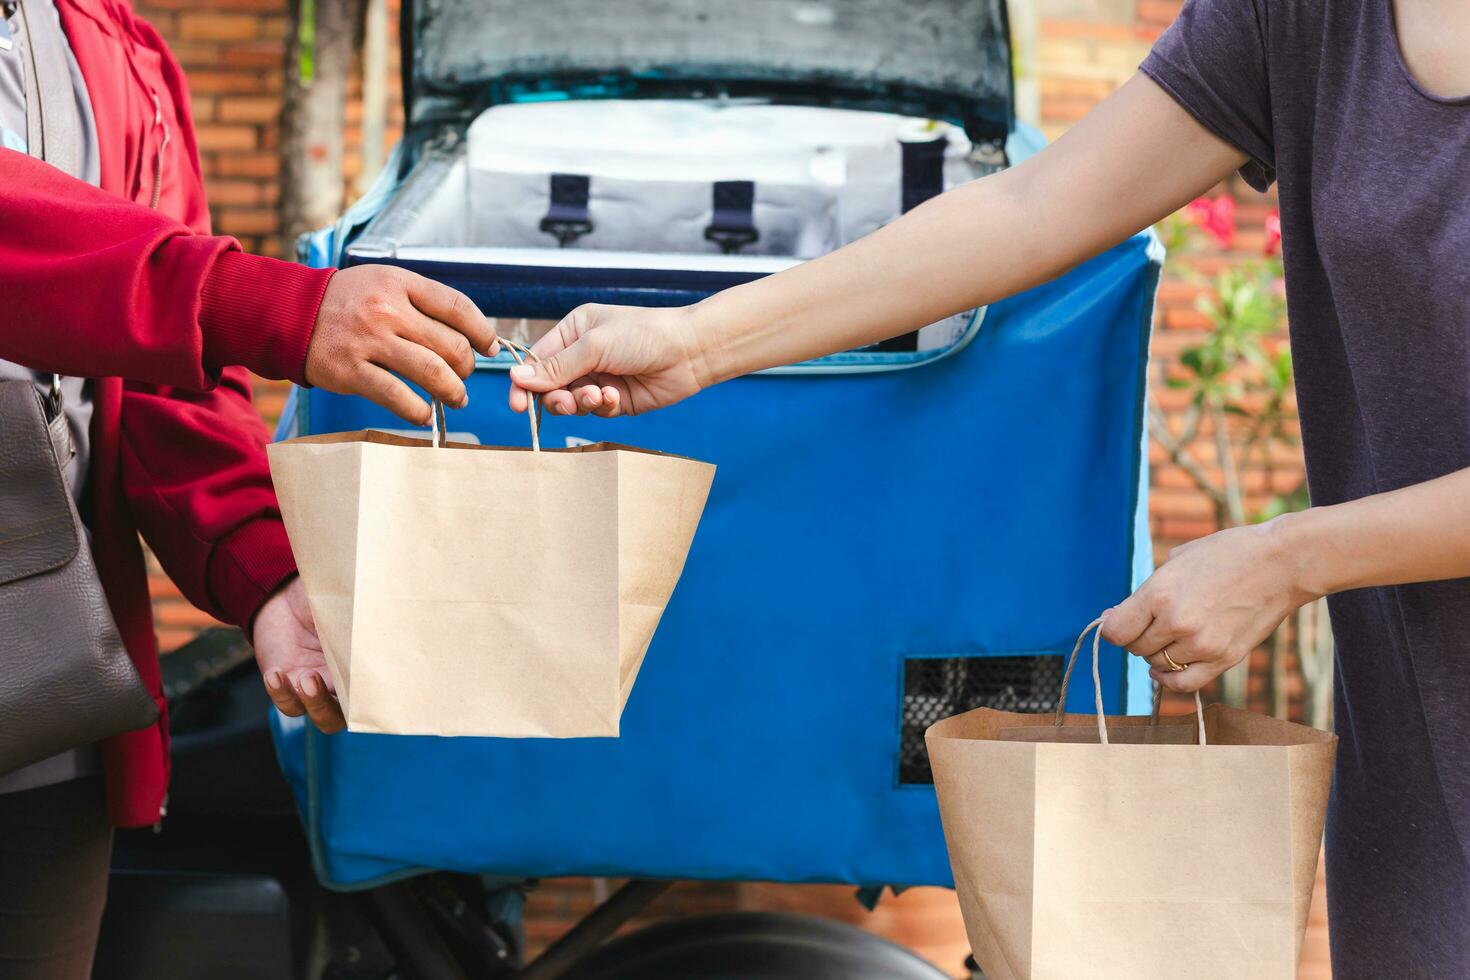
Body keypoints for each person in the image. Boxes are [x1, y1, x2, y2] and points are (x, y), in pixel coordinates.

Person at [507, 0, 1470, 973]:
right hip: (1416, 728)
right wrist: (695, 340)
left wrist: (1291, 555)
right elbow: (1029, 210)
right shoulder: (1305, 19)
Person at [0, 0, 496, 975]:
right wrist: (258, 301)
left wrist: (268, 574)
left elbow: (153, 388)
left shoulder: (117, 50)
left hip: (43, 713)